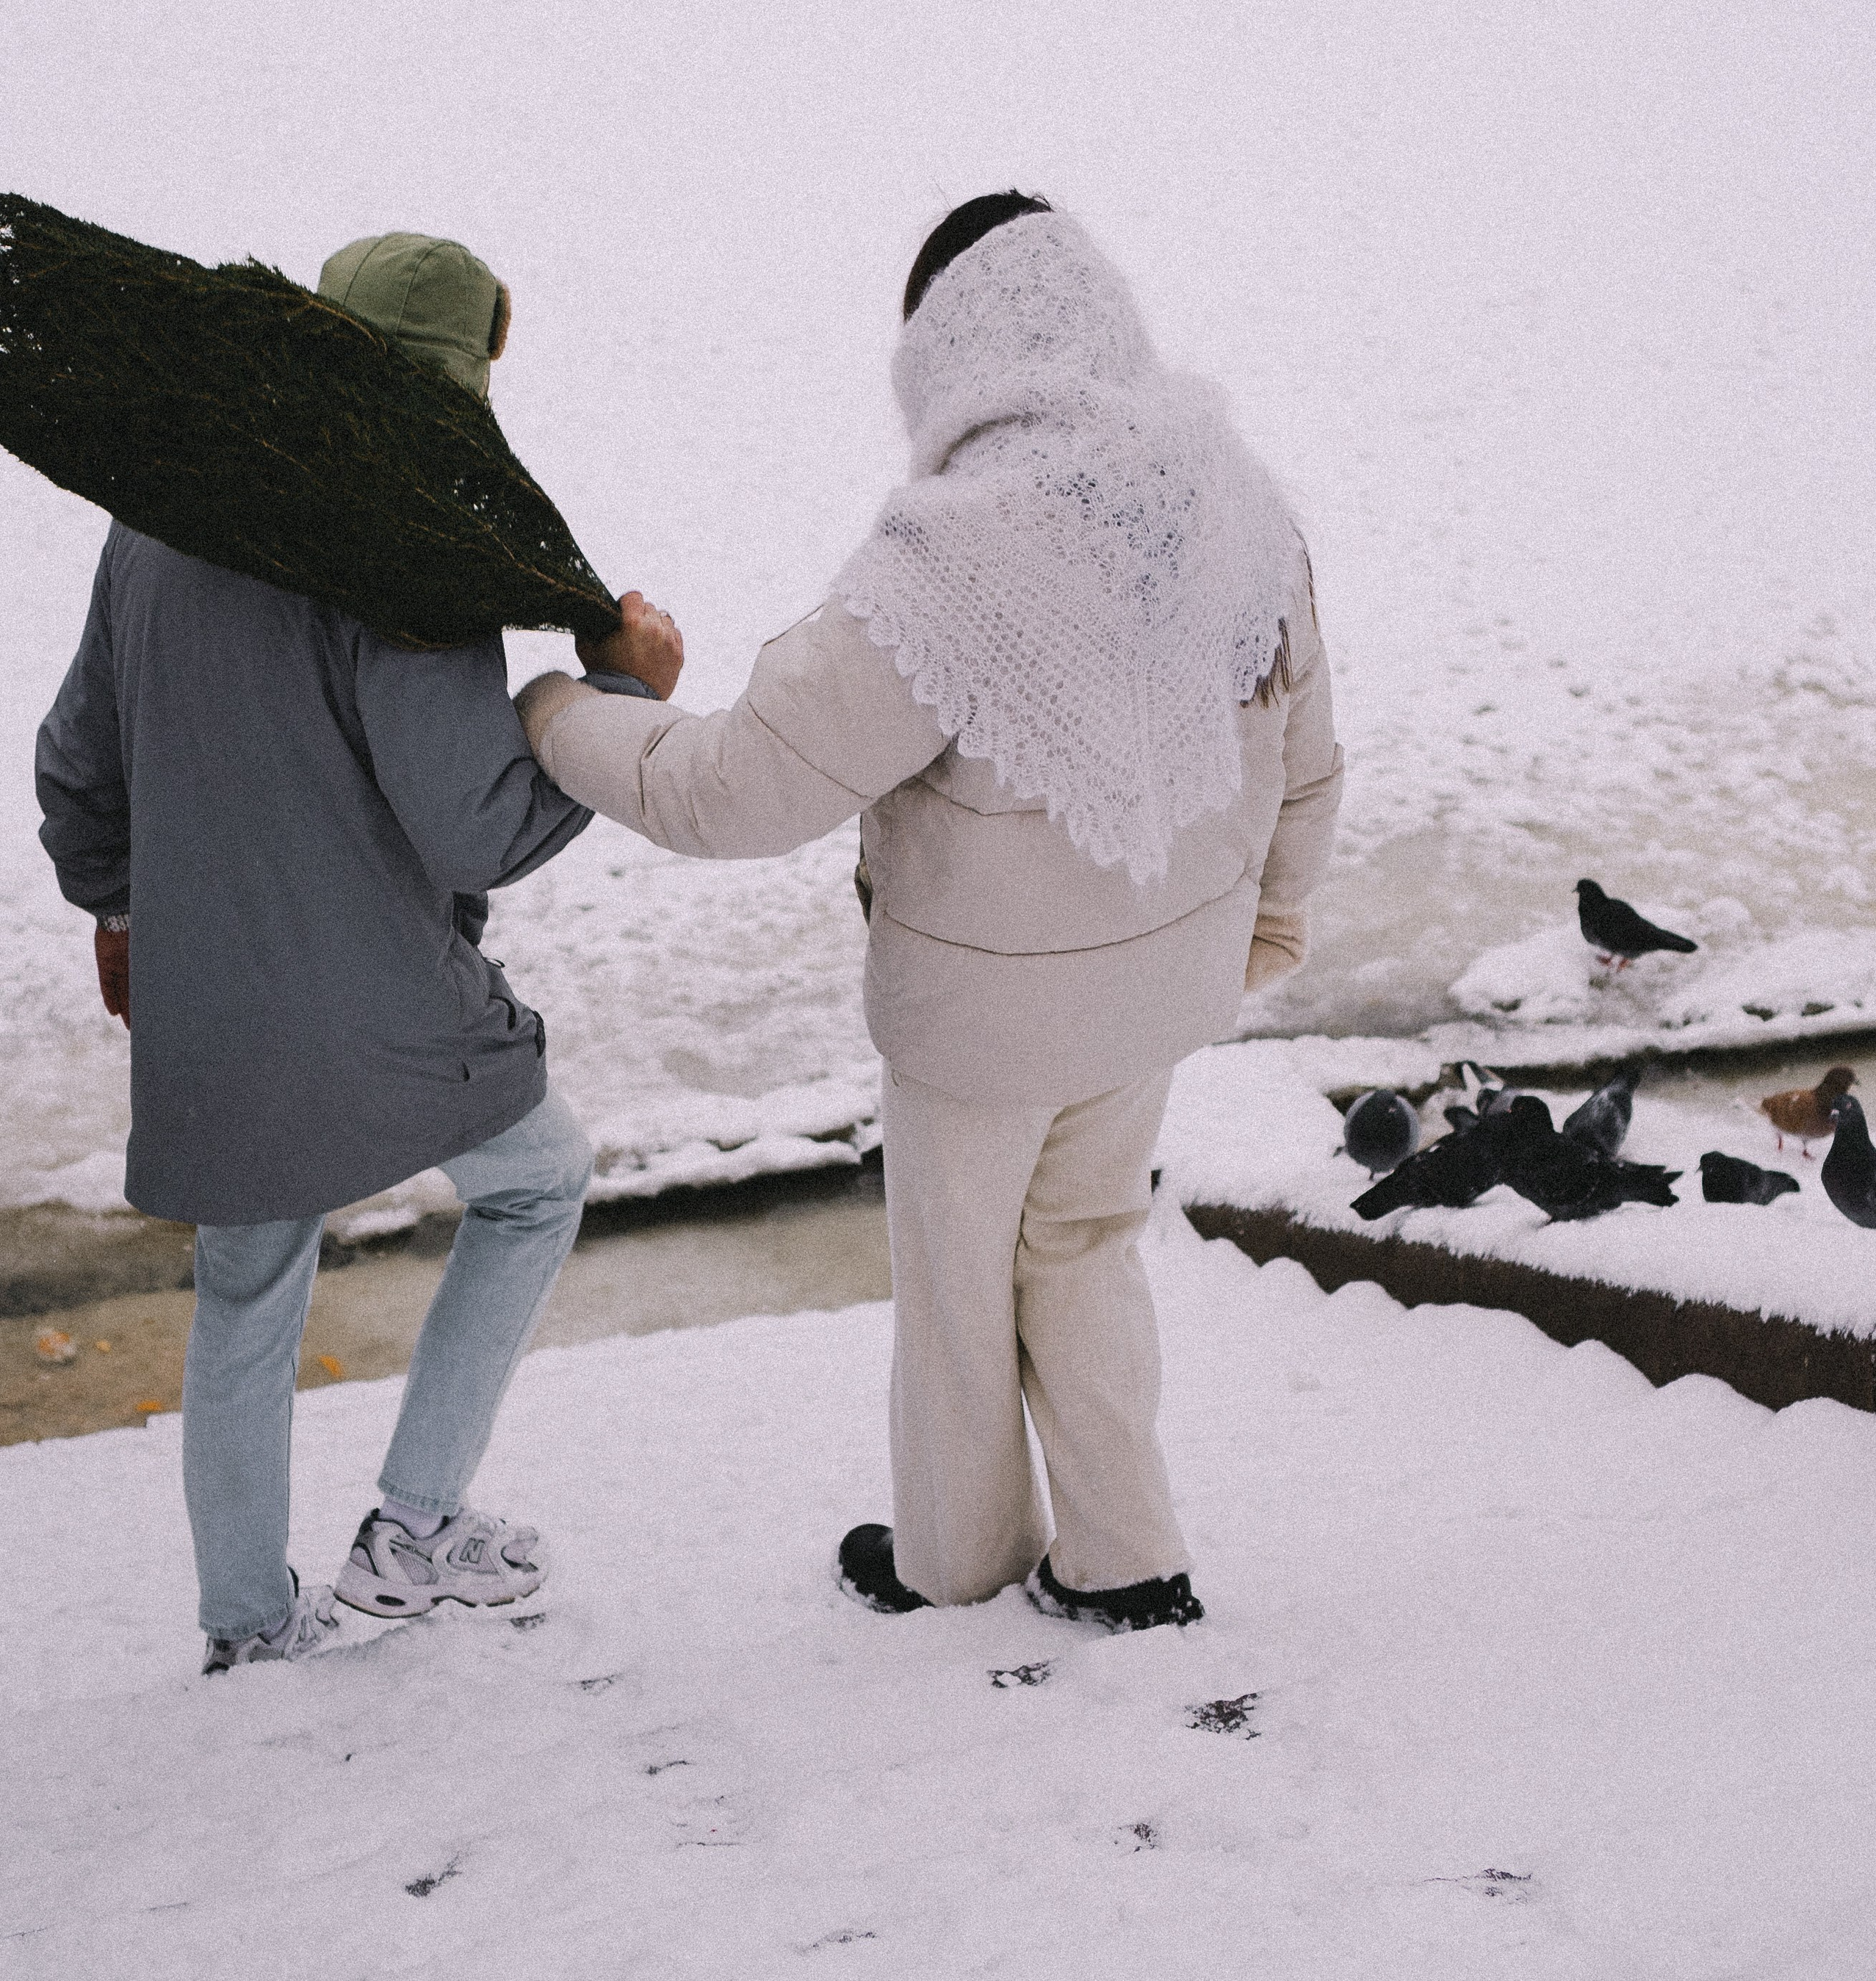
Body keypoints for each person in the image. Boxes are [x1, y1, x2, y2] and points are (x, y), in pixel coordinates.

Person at [517, 195, 1342, 1632]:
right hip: (1158, 987)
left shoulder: (945, 567)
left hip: (979, 1022)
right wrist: (1267, 923)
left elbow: (730, 791)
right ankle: (1124, 1560)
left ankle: (954, 1565)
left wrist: (560, 715)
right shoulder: (1232, 502)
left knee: (960, 1289)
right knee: (1083, 1245)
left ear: (945, 356)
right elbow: (1306, 744)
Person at [35, 231, 680, 1675]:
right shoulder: (407, 544)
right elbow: (476, 834)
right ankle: (419, 1525)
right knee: (539, 1184)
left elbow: (79, 754)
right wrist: (621, 690)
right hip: (378, 998)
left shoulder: (162, 511)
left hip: (207, 995)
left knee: (250, 1288)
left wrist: (119, 912)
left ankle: (251, 1624)